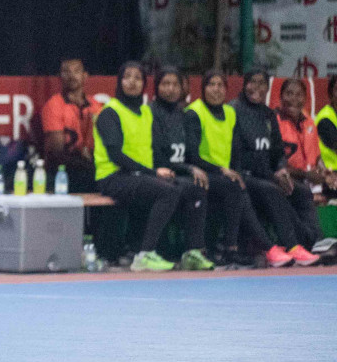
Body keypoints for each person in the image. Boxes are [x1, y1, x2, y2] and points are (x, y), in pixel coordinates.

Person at [92, 61, 186, 272]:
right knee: (168, 193)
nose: (132, 82)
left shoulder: (146, 112)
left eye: (138, 78)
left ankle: (182, 250)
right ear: (119, 81)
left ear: (144, 83)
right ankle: (145, 254)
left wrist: (165, 171)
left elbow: (153, 149)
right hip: (113, 177)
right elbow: (116, 155)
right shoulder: (110, 112)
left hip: (138, 176)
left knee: (183, 187)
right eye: (127, 77)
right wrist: (153, 173)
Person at [184, 70, 280, 267]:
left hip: (223, 174)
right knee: (233, 187)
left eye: (221, 85)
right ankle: (238, 248)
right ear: (203, 88)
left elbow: (235, 150)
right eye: (211, 85)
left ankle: (235, 248)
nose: (216, 89)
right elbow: (192, 155)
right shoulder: (194, 112)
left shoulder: (230, 113)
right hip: (202, 171)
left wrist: (236, 172)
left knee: (237, 184)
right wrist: (221, 170)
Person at [234, 70, 320, 266]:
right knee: (272, 189)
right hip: (243, 175)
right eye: (252, 82)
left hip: (266, 174)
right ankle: (291, 245)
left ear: (267, 88)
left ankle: (314, 241)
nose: (257, 87)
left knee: (302, 191)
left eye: (262, 83)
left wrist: (281, 169)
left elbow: (278, 152)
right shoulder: (234, 110)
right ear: (244, 84)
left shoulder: (267, 114)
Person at [146, 67, 214, 269]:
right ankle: (156, 250)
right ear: (156, 87)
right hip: (157, 171)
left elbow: (191, 152)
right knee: (186, 187)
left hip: (179, 172)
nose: (171, 89)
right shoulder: (150, 113)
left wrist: (194, 167)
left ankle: (194, 251)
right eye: (165, 84)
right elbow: (158, 155)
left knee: (199, 186)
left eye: (175, 84)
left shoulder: (183, 114)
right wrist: (188, 169)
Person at [273, 78, 327, 249]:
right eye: (289, 94)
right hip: (285, 179)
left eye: (299, 95)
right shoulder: (275, 122)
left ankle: (318, 242)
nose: (294, 99)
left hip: (310, 181)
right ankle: (314, 241)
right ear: (281, 97)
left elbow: (317, 157)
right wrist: (307, 176)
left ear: (305, 99)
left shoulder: (309, 122)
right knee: (301, 192)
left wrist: (323, 172)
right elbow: (276, 163)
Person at [40, 59, 102, 192]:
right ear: (60, 76)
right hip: (63, 168)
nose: (71, 76)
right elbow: (57, 152)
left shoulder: (96, 105)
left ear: (85, 76)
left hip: (91, 163)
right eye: (66, 71)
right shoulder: (54, 105)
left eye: (76, 71)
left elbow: (102, 142)